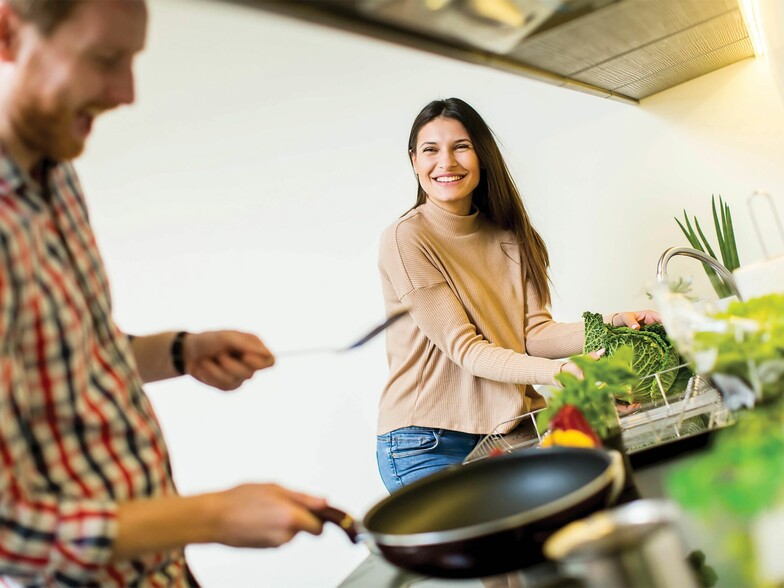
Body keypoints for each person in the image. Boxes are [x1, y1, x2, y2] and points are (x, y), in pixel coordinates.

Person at [0, 1, 326, 585]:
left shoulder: (56, 171)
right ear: (7, 34)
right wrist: (211, 515)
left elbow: (69, 359)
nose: (126, 91)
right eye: (106, 59)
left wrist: (180, 351)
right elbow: (9, 529)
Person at [376, 98, 659, 493]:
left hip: (510, 428)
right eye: (430, 150)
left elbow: (533, 336)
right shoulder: (407, 238)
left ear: (482, 155)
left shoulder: (509, 237)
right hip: (428, 444)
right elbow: (466, 350)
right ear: (413, 161)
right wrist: (562, 375)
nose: (446, 162)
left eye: (461, 146)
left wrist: (612, 325)